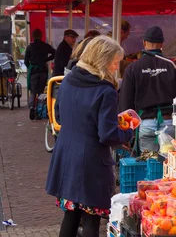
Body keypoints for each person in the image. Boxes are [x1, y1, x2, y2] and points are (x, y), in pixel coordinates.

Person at [46, 36, 133, 237]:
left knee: (71, 216)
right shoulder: (105, 91)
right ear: (103, 60)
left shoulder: (68, 80)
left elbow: (58, 114)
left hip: (66, 157)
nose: (116, 67)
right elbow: (108, 134)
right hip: (91, 163)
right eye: (115, 62)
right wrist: (128, 131)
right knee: (91, 221)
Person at [119, 26, 176, 152]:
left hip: (145, 124)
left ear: (144, 42)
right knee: (169, 166)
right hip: (169, 123)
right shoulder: (172, 66)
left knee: (148, 165)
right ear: (162, 44)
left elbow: (126, 102)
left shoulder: (133, 68)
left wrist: (124, 135)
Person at [25, 29, 55, 120]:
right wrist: (46, 60)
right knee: (41, 92)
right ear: (41, 36)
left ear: (33, 36)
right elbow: (55, 52)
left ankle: (31, 108)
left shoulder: (30, 47)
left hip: (33, 71)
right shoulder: (45, 46)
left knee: (33, 92)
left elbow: (26, 61)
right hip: (43, 71)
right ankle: (39, 111)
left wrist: (30, 66)